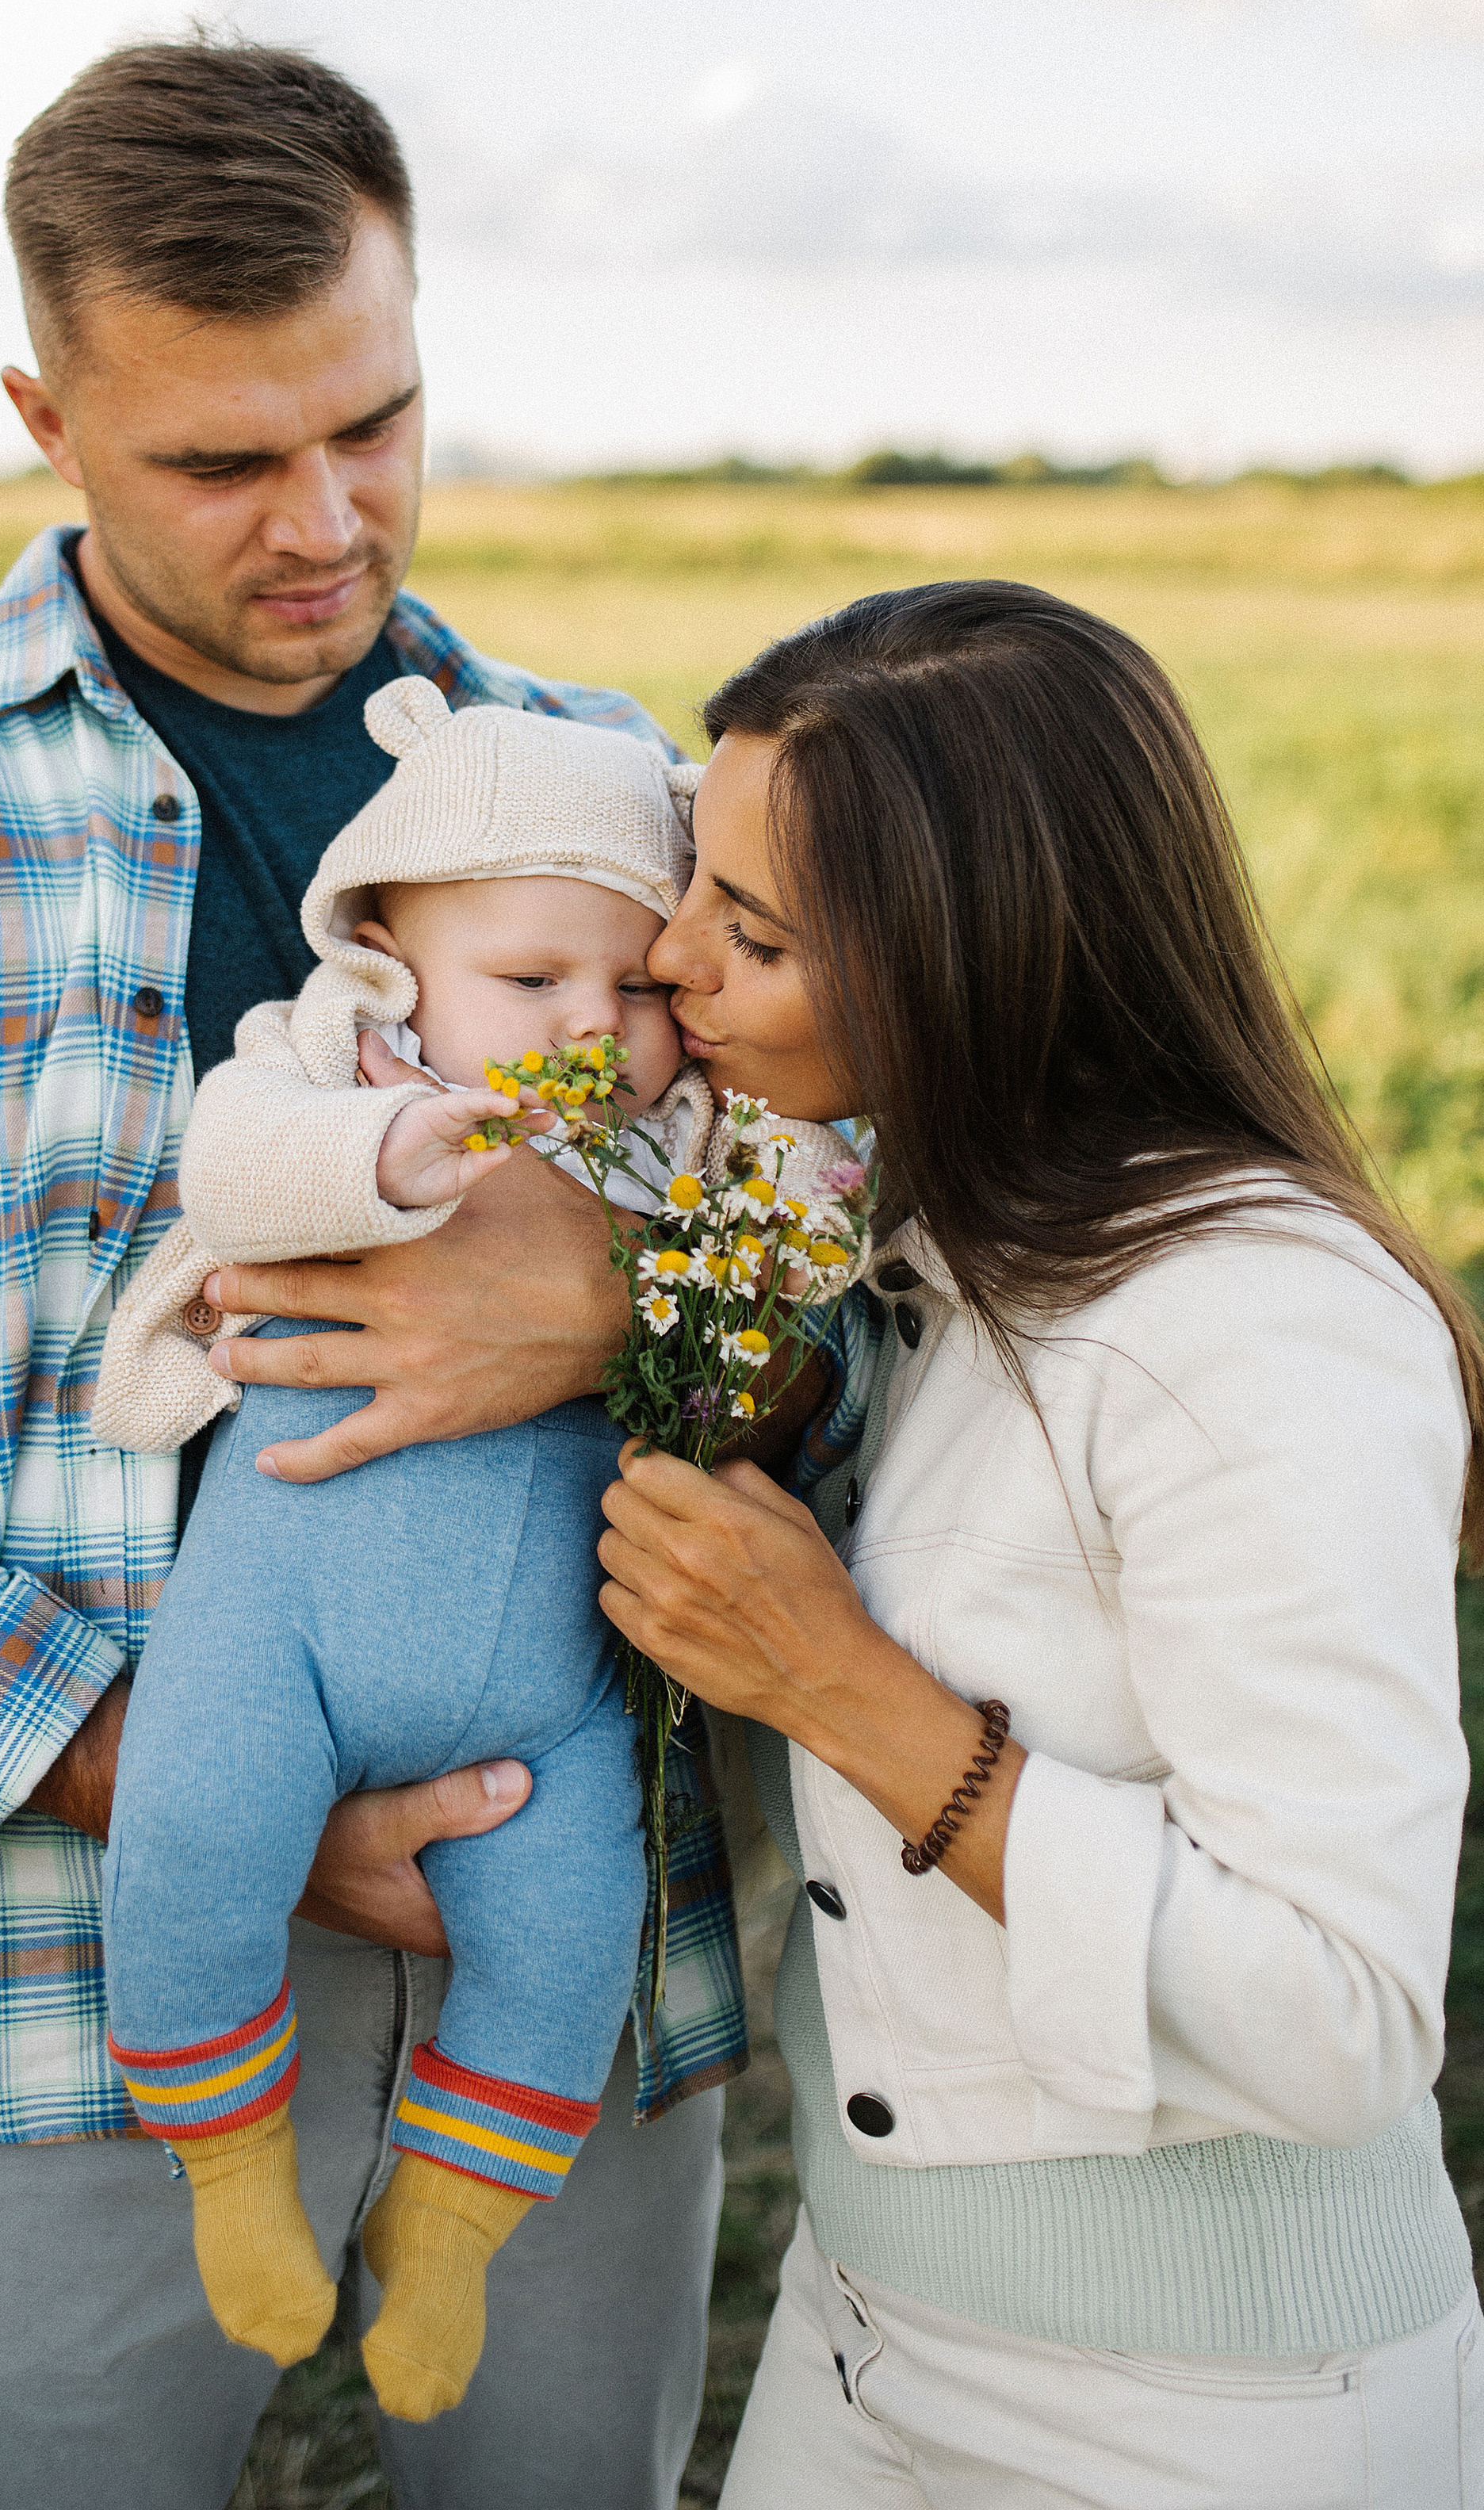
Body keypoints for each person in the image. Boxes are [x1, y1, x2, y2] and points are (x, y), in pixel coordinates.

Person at [0, 40, 729, 2510]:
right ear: (42, 408)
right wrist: (196, 1789)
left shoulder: (611, 791)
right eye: (224, 460)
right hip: (45, 1964)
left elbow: (864, 1298)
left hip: (568, 1901)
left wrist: (621, 1313)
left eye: (378, 421)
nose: (325, 520)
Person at [600, 581, 1484, 2510]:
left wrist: (835, 1686)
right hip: (860, 2333)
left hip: (1209, 2412)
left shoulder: (1257, 1326)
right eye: (693, 885)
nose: (668, 961)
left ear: (969, 961)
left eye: (748, 931)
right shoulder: (914, 1251)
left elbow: (1342, 2015)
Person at [93, 676, 827, 2422]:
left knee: (573, 1944)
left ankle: (450, 2226)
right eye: (530, 984)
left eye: (638, 985)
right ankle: (229, 2168)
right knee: (191, 1838)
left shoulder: (678, 1145)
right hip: (276, 1631)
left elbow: (796, 1300)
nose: (596, 1023)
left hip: (552, 1698)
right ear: (388, 963)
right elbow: (238, 1168)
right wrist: (395, 1155)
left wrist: (661, 1266)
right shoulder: (332, 1067)